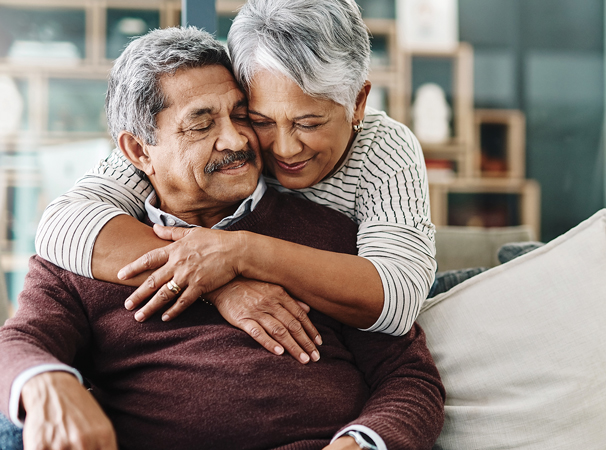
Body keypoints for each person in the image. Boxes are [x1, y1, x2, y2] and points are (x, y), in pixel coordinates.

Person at [0, 27, 444, 450]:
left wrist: (361, 442)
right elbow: (18, 344)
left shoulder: (331, 235)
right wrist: (45, 383)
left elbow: (409, 377)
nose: (235, 139)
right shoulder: (87, 250)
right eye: (201, 124)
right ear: (138, 152)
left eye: (239, 114)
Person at [35, 0, 436, 364]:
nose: (283, 149)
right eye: (260, 120)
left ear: (359, 103)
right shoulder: (229, 142)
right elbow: (62, 224)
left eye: (309, 123)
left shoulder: (383, 149)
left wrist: (240, 253)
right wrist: (221, 283)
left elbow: (399, 301)